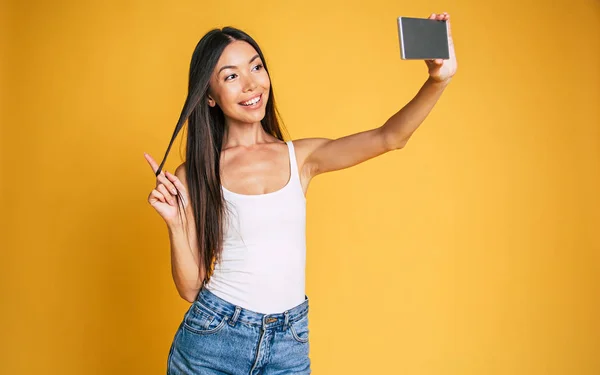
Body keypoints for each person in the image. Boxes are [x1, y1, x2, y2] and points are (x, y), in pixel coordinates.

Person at [144, 12, 457, 375]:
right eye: (231, 76)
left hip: (288, 343)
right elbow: (190, 288)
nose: (250, 84)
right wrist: (175, 223)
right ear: (210, 96)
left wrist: (438, 81)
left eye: (256, 67)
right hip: (213, 341)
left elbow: (390, 137)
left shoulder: (302, 158)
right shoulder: (195, 173)